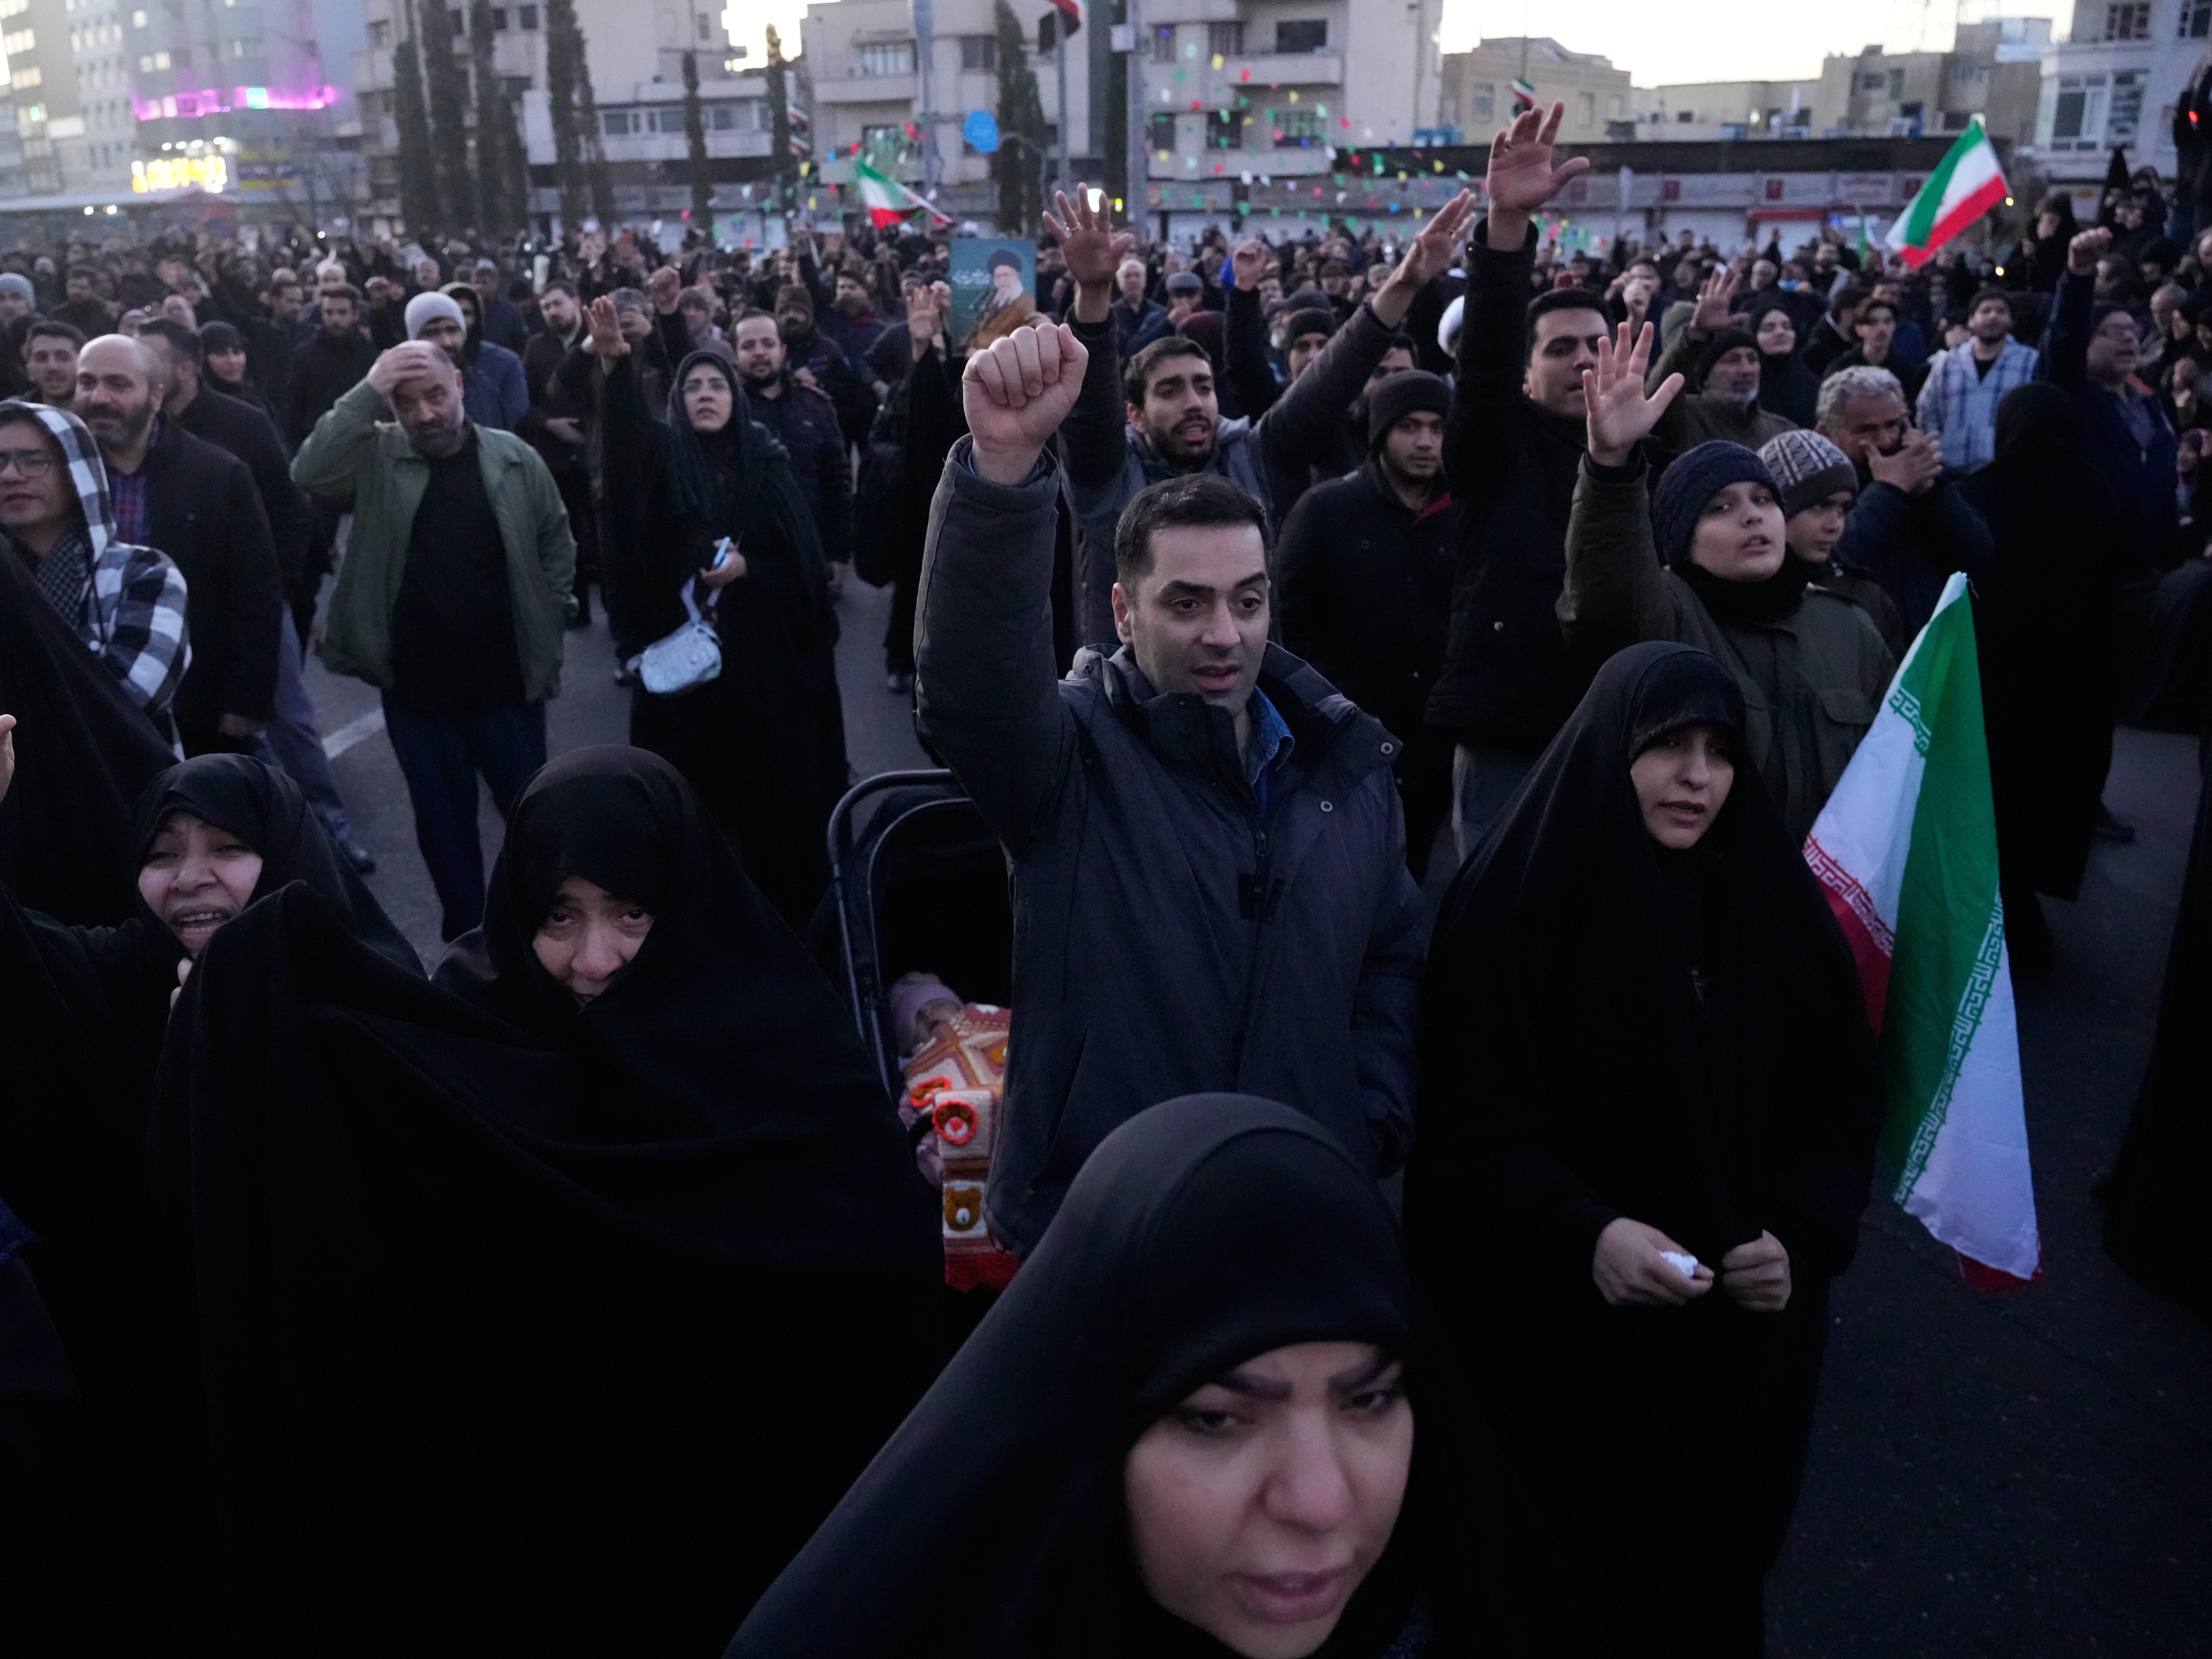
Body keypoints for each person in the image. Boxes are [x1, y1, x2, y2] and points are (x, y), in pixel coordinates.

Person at [152, 746, 942, 1654]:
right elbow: (372, 1112)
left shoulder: (794, 1069)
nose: (592, 958)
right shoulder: (482, 1037)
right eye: (558, 915)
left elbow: (874, 1280)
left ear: (686, 904)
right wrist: (242, 1008)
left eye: (631, 911)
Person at [727, 1093, 1596, 1659]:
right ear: (1091, 1421)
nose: (1320, 1499)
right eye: (1217, 1418)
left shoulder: (1475, 1614)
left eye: (1366, 1399)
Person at [1409, 642, 1884, 1659]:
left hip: (1730, 1357)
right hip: (1562, 1361)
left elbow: (1835, 1099)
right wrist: (1580, 1235)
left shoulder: (1769, 906)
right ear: (1609, 748)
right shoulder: (1514, 907)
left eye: (1718, 751)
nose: (1697, 778)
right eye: (1668, 747)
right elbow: (1468, 1135)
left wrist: (1799, 1234)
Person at [915, 320, 1424, 1256]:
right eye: (1185, 603)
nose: (1223, 634)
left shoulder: (1347, 770)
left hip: (1302, 1207)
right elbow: (971, 690)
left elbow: (1392, 953)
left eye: (1247, 599)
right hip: (1106, 1228)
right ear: (1122, 610)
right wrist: (1000, 469)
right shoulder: (1068, 759)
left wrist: (1367, 1113)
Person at [0, 745, 413, 1653]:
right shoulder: (124, 979)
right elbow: (21, 967)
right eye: (161, 853)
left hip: (331, 1439)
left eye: (225, 847)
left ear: (287, 851)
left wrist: (249, 1031)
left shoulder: (370, 999)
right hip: (173, 1444)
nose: (191, 880)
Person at [1055, 183, 1475, 648]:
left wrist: (1404, 283)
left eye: (1204, 386)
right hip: (1127, 709)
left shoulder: (1250, 458)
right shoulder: (1107, 477)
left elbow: (1330, 382)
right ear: (1135, 414)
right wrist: (1093, 295)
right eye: (1170, 391)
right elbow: (1092, 410)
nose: (1194, 402)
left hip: (1244, 696)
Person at [1557, 329, 1895, 846]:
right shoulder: (1665, 619)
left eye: (1763, 500)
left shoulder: (1847, 625)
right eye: (1719, 508)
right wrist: (1611, 467)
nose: (1750, 518)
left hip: (1827, 902)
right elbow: (1605, 591)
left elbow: (1893, 771)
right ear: (1681, 541)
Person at [293, 339, 574, 941]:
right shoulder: (378, 455)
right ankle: (469, 949)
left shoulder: (514, 457)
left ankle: (548, 935)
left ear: (461, 388)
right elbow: (309, 471)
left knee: (535, 821)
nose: (424, 415)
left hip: (507, 689)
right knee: (445, 834)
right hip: (419, 699)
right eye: (406, 402)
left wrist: (550, 618)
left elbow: (556, 542)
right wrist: (369, 387)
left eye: (436, 396)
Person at [588, 298, 848, 932]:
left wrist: (750, 569)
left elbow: (803, 567)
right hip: (691, 685)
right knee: (699, 815)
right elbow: (623, 455)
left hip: (766, 679)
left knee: (774, 821)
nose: (705, 394)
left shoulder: (768, 462)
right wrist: (617, 368)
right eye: (693, 385)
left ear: (735, 394)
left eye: (716, 384)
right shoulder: (663, 461)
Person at [1423, 103, 1610, 861]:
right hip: (1511, 725)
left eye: (1596, 344)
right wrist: (1504, 232)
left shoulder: (1642, 456)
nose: (1580, 360)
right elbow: (1488, 357)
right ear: (1528, 376)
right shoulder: (1495, 444)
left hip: (1618, 720)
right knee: (1502, 926)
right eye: (1559, 348)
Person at [1964, 383, 2126, 970]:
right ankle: (2026, 906)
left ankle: (2001, 911)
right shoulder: (2094, 491)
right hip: (2073, 677)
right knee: (2052, 792)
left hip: (1995, 678)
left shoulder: (1981, 492)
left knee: (1995, 796)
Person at [1276, 369, 1457, 878]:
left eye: (1438, 428)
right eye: (1409, 427)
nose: (1425, 442)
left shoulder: (1460, 515)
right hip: (1346, 739)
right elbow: (1293, 619)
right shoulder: (1326, 511)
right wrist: (1333, 702)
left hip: (1433, 745)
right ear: (1380, 433)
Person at [77, 333, 284, 759]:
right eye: (87, 382)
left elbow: (254, 589)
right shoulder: (58, 476)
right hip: (83, 696)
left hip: (194, 693)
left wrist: (247, 699)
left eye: (119, 384)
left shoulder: (217, 474)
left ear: (156, 396)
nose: (99, 397)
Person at [0, 400, 188, 727]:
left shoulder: (144, 572)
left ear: (77, 474)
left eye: (35, 461)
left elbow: (133, 694)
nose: (11, 476)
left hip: (123, 772)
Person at [1816, 364, 1993, 637]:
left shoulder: (1922, 484)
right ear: (1827, 434)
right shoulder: (1813, 492)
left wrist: (1931, 493)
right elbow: (1835, 560)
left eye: (1894, 425)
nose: (1886, 441)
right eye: (1867, 430)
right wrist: (1890, 490)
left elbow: (1978, 555)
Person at [2047, 226, 2182, 574]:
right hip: (2094, 569)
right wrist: (2078, 276)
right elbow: (2065, 337)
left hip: (2154, 569)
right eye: (2112, 332)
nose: (2128, 339)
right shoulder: (2075, 398)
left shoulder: (2155, 404)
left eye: (2132, 331)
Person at [1758, 427, 1909, 659]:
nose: (1835, 524)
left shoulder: (1867, 597)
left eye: (1842, 509)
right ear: (1776, 510)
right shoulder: (1745, 594)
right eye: (1819, 507)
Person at [729, 306, 855, 574]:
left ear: (783, 351)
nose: (760, 352)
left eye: (768, 343)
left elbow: (837, 482)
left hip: (810, 552)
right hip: (747, 563)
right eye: (748, 346)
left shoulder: (816, 406)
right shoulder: (728, 413)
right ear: (735, 355)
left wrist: (839, 553)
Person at [1646, 266, 1799, 458]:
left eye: (1753, 359)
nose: (1746, 370)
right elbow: (1658, 396)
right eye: (1731, 361)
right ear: (1706, 377)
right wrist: (1696, 334)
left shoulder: (1781, 431)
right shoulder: (1685, 417)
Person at [1915, 285, 2039, 474]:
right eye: (1986, 311)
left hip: (2007, 472)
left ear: (2011, 321)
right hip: (1952, 474)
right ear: (1972, 321)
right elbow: (1927, 411)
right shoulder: (1949, 363)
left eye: (2001, 311)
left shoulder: (2030, 362)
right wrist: (1940, 450)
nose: (1993, 317)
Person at [416, 286, 529, 433]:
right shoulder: (412, 367)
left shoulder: (505, 362)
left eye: (467, 313)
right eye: (453, 310)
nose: (459, 318)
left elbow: (515, 415)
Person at [279, 279, 376, 448]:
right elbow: (293, 412)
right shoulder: (304, 356)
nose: (335, 319)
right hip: (319, 445)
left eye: (342, 312)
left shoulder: (369, 356)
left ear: (355, 315)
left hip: (363, 444)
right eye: (329, 313)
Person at [1819, 292, 1928, 405]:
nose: (1882, 329)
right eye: (1873, 322)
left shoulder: (1907, 372)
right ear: (1859, 330)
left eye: (1888, 321)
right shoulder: (1842, 369)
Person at [1742, 295, 1821, 428]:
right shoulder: (1744, 383)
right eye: (1768, 329)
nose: (1780, 332)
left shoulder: (1810, 381)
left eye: (1787, 327)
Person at [1109, 254, 1171, 357]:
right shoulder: (1111, 314)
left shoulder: (1160, 312)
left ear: (1145, 280)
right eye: (1127, 276)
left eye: (1137, 275)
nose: (1133, 280)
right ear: (1119, 282)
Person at [470, 256, 530, 354]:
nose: (479, 287)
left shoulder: (511, 312)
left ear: (495, 285)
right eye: (477, 282)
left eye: (485, 283)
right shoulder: (468, 310)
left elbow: (522, 345)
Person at [24, 319, 83, 412]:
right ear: (29, 370)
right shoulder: (12, 416)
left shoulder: (105, 415)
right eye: (41, 358)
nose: (52, 367)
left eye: (63, 358)